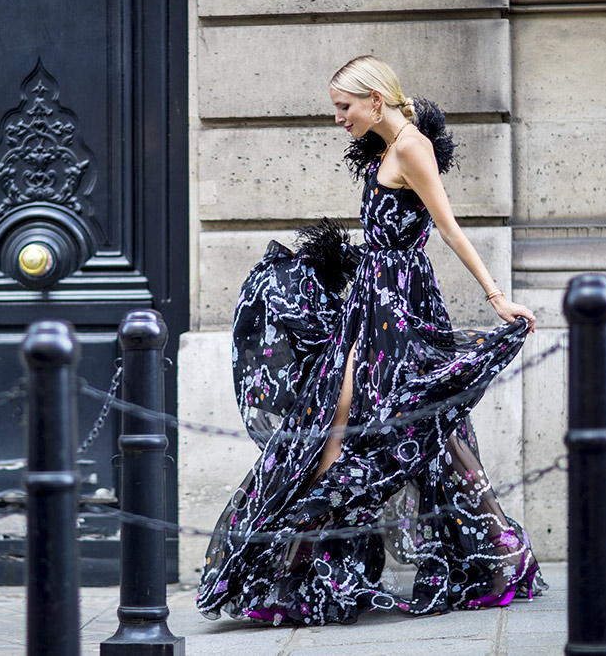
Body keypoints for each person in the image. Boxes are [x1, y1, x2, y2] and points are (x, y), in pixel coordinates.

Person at [196, 55, 545, 626]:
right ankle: (490, 552)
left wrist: (496, 298)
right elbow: (382, 242)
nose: (339, 118)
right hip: (371, 303)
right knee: (404, 425)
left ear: (376, 100)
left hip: (401, 311)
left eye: (344, 106)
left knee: (389, 421)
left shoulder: (411, 147)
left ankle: (310, 564)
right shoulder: (385, 150)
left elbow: (448, 228)